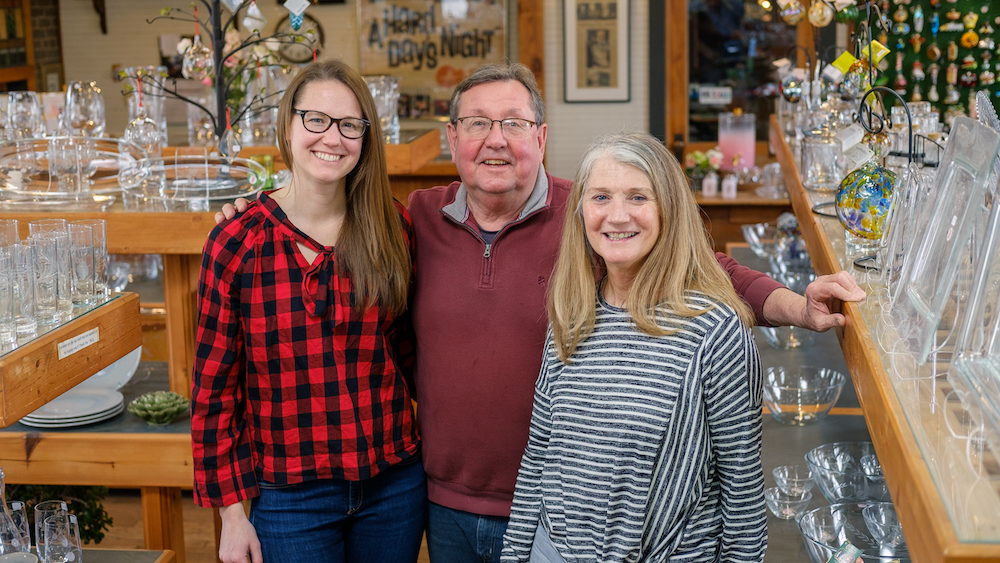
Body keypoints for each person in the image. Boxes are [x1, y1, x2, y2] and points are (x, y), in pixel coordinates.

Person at [217, 62, 864, 563]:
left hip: (559, 510)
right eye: (476, 123)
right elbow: (320, 219)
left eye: (514, 123)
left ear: (542, 136)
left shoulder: (588, 217)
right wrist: (251, 208)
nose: (495, 140)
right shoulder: (411, 220)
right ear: (452, 137)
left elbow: (702, 266)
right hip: (438, 501)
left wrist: (795, 305)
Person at [193, 59, 425, 563]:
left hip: (393, 484)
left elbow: (411, 355)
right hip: (288, 494)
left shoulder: (393, 229)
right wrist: (233, 517)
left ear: (366, 137)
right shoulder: (237, 241)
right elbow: (213, 394)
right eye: (314, 119)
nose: (332, 138)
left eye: (350, 125)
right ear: (287, 126)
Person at [501, 132, 764, 563]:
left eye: (638, 197)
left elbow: (743, 494)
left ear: (669, 211)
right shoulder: (572, 313)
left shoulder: (715, 330)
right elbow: (539, 457)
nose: (617, 216)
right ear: (581, 211)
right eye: (601, 197)